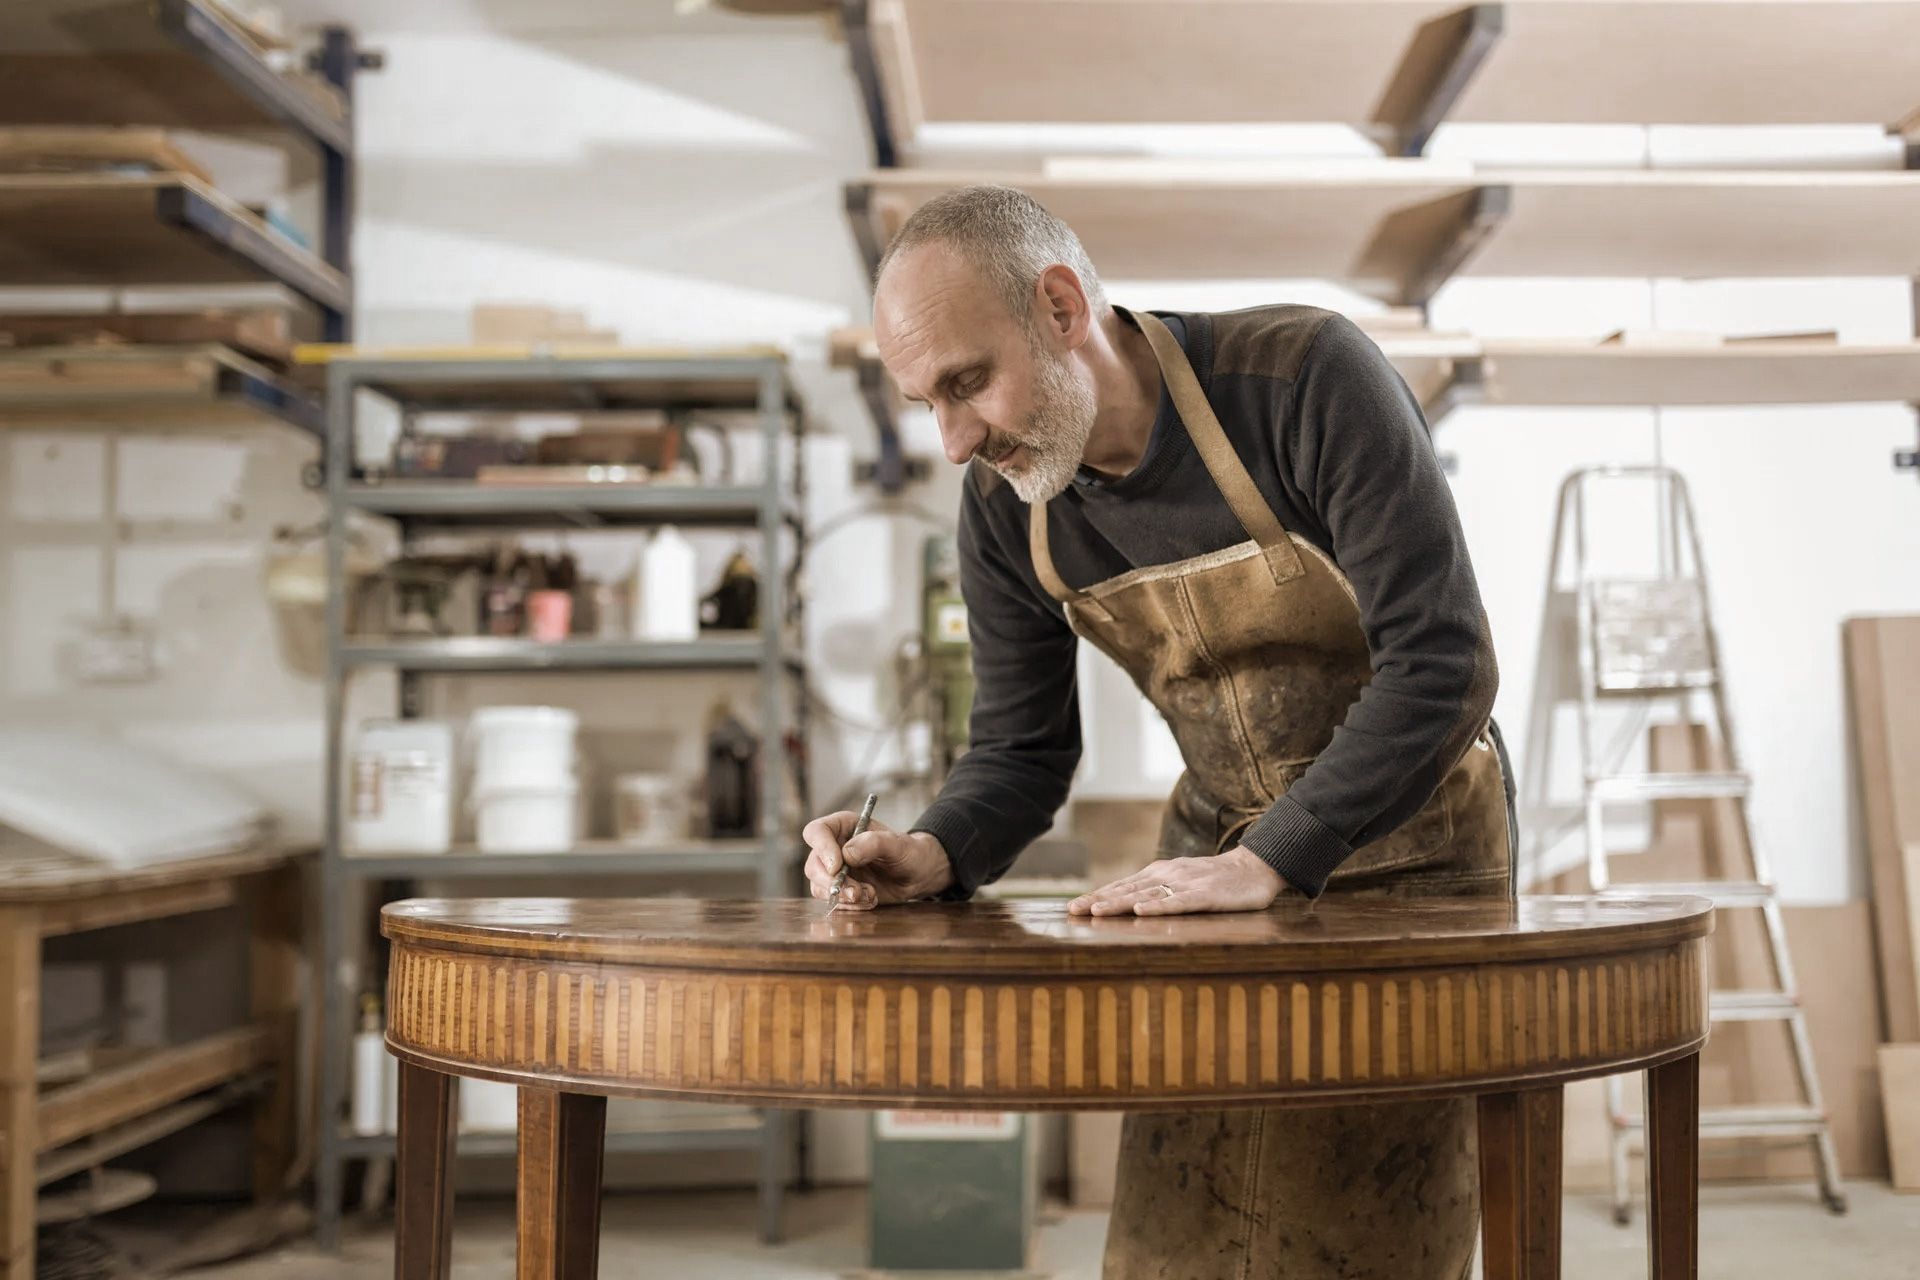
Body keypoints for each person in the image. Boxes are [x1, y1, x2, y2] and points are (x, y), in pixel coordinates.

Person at [802, 184, 1516, 1278]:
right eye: (922, 402)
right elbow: (1021, 749)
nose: (951, 441)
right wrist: (935, 848)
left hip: (1419, 867)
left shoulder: (1303, 380)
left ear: (1058, 307)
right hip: (1214, 883)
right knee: (1173, 1241)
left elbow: (1445, 662)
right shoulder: (1008, 506)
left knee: (1360, 1241)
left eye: (966, 383)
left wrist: (1273, 855)